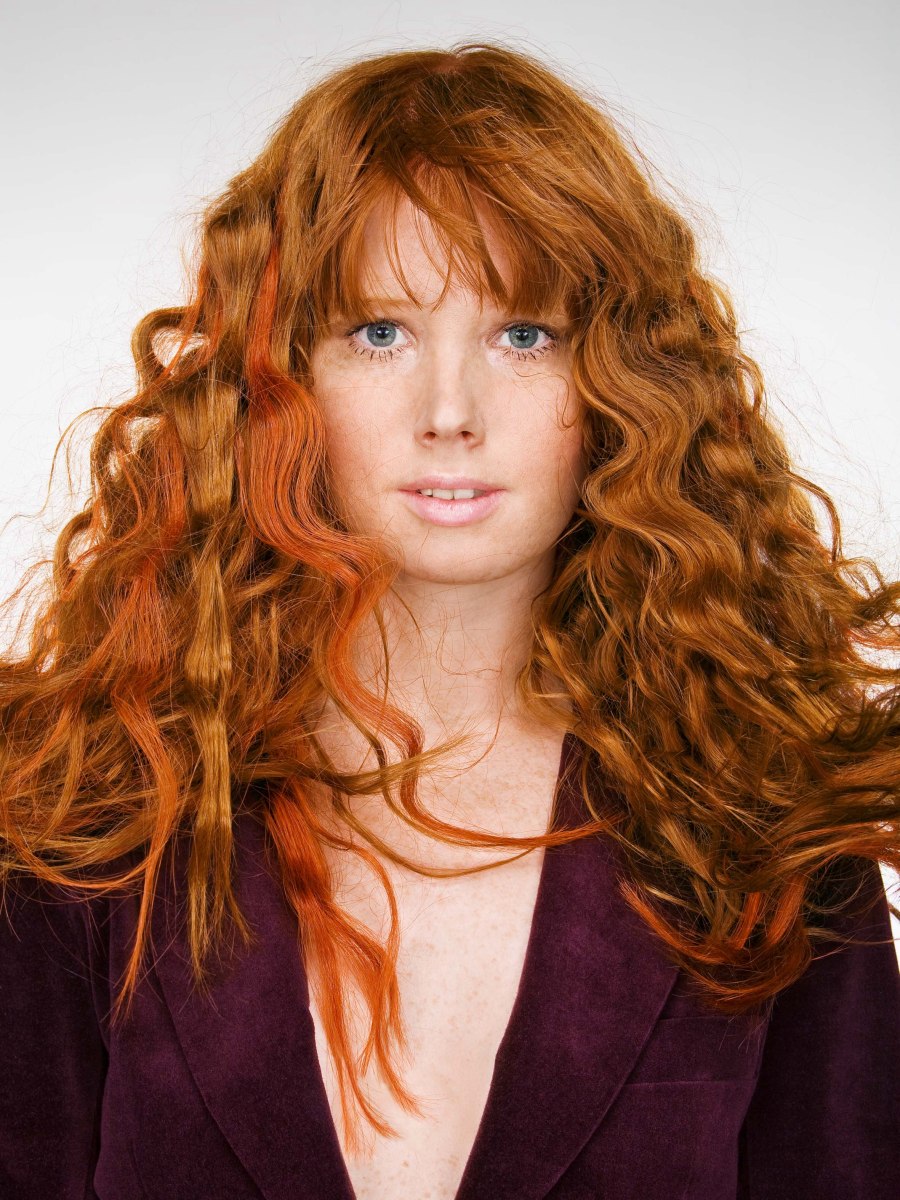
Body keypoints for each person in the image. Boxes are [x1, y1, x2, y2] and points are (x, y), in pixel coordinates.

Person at [1, 39, 898, 1200]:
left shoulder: (768, 832)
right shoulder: (88, 819)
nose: (450, 412)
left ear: (621, 383)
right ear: (279, 380)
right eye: (379, 333)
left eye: (524, 335)